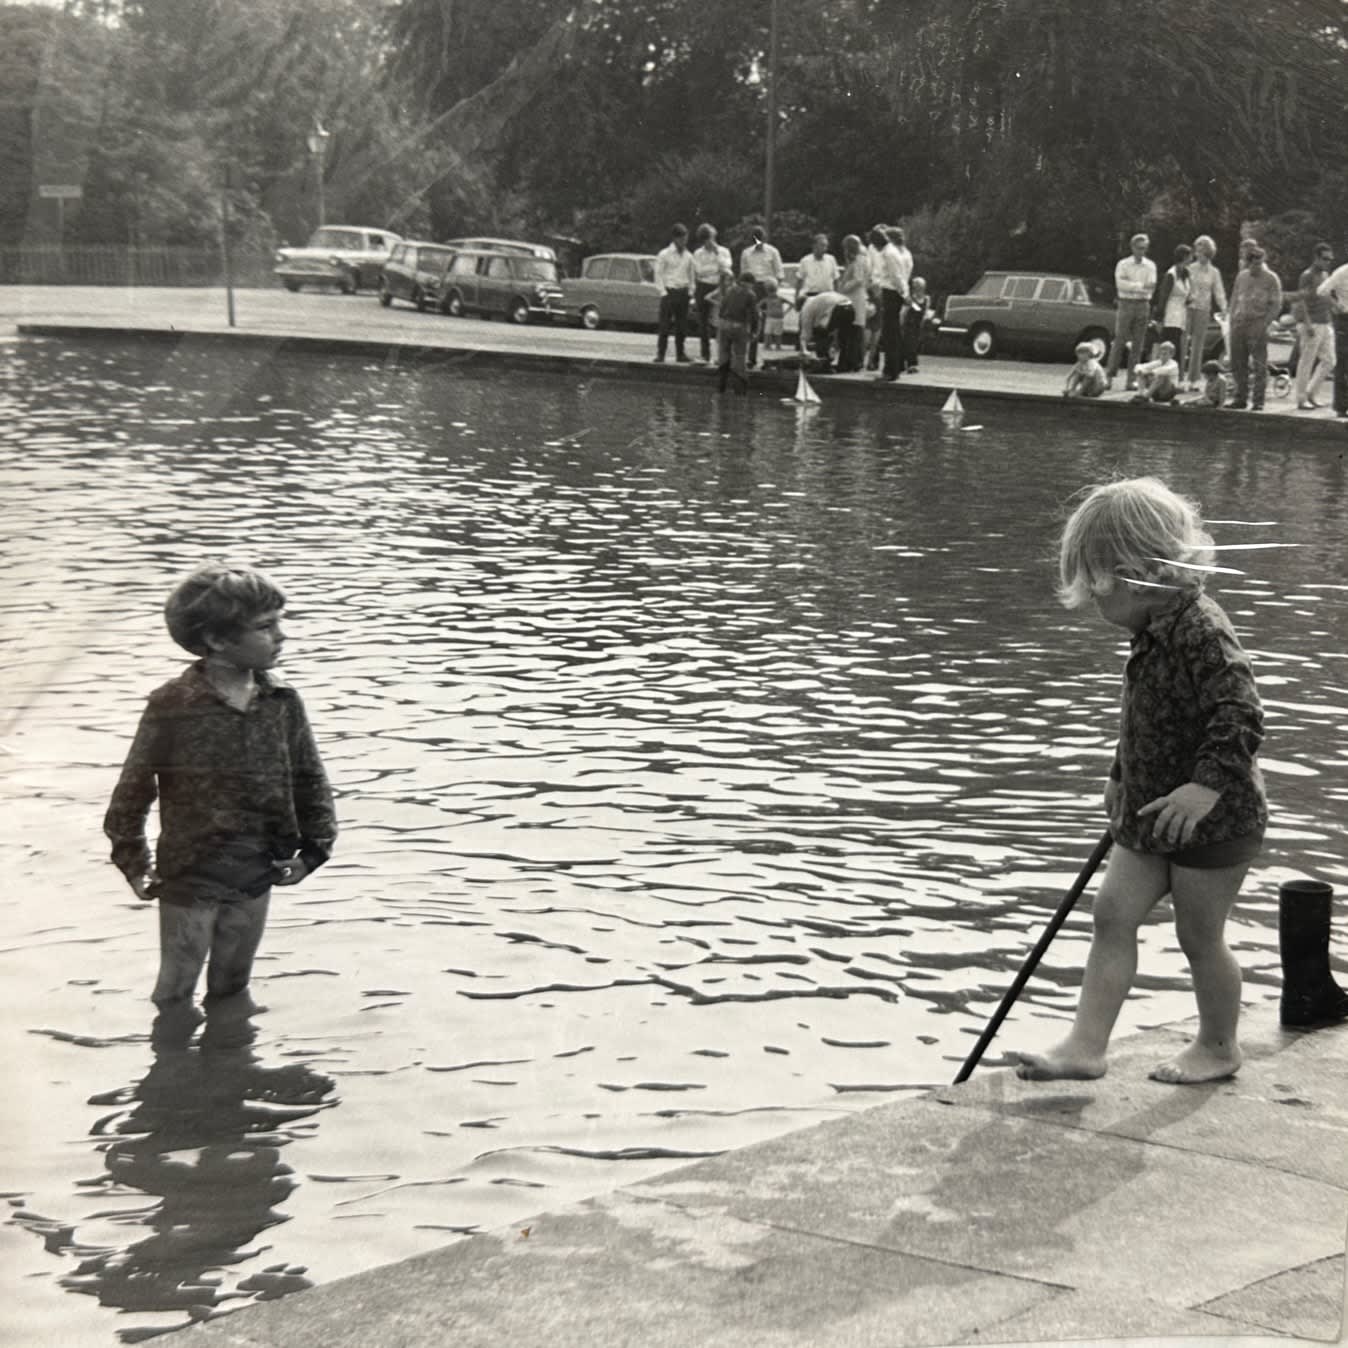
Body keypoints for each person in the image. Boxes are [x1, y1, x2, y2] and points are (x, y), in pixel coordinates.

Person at [1014, 478, 1266, 1086]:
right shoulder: (1152, 629)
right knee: (1111, 914)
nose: (1093, 603)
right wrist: (1120, 777)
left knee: (1198, 935)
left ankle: (1218, 1044)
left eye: (1095, 586)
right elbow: (1145, 719)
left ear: (1130, 576)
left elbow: (1241, 713)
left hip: (1213, 818)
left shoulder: (1200, 628)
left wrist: (1203, 789)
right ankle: (1085, 1047)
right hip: (1150, 811)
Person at [104, 564, 337, 1007]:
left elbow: (310, 779)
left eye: (279, 623)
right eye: (265, 627)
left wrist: (314, 851)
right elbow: (133, 791)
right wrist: (134, 862)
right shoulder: (172, 703)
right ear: (217, 641)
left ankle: (227, 1060)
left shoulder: (282, 701)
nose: (281, 636)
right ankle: (172, 1066)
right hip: (191, 867)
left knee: (232, 982)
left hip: (258, 862)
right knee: (176, 986)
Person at [1225, 246, 1282, 410]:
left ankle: (1258, 401)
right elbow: (1234, 298)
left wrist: (1265, 323)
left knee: (1259, 363)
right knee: (1238, 362)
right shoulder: (1241, 277)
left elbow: (1276, 304)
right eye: (1254, 264)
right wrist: (1232, 319)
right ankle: (1240, 398)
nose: (1258, 267)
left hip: (1257, 322)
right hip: (1239, 322)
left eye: (1260, 263)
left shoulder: (1271, 278)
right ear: (1248, 263)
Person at [1105, 233, 1157, 391]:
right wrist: (1140, 286)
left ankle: (1131, 379)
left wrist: (1133, 285)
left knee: (1138, 344)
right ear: (1133, 247)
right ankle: (1109, 377)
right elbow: (1120, 284)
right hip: (1126, 303)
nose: (1142, 251)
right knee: (1119, 340)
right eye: (1140, 248)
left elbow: (1152, 286)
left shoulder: (1150, 265)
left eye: (1145, 248)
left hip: (1143, 304)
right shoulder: (1123, 264)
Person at [1293, 242, 1335, 410]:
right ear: (1316, 257)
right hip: (1311, 323)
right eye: (1325, 258)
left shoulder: (1326, 274)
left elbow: (1326, 297)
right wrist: (1308, 323)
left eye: (1330, 259)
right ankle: (1301, 399)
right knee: (1306, 361)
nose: (1328, 262)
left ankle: (1311, 393)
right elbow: (1301, 300)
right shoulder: (1307, 275)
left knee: (1330, 360)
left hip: (1325, 322)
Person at [1183, 235, 1227, 389]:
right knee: (1183, 342)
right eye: (1199, 252)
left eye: (1204, 253)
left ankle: (1193, 380)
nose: (1201, 256)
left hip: (1203, 309)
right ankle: (1179, 379)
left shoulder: (1214, 272)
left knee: (1197, 345)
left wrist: (1224, 308)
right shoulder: (1189, 268)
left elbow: (1219, 292)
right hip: (1187, 309)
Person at [739, 225, 785, 369]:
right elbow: (743, 274)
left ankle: (768, 360)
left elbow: (779, 273)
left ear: (764, 239)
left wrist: (774, 291)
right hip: (752, 287)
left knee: (769, 324)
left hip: (768, 287)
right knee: (752, 323)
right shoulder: (746, 253)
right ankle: (751, 358)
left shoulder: (773, 252)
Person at [653, 223, 696, 363]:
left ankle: (680, 353)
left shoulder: (689, 256)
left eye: (686, 239)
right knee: (664, 325)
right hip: (669, 291)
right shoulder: (664, 254)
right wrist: (663, 292)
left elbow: (691, 276)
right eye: (682, 239)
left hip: (683, 292)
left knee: (682, 326)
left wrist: (691, 292)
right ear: (675, 239)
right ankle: (661, 354)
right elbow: (658, 274)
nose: (684, 241)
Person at [691, 223, 732, 364]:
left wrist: (717, 254)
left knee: (721, 321)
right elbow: (699, 271)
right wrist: (714, 269)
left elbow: (726, 267)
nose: (709, 241)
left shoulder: (724, 251)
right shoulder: (697, 253)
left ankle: (722, 355)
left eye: (711, 238)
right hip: (703, 287)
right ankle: (705, 355)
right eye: (706, 239)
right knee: (703, 322)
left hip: (720, 286)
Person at [870, 224, 905, 380]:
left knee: (890, 333)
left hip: (892, 293)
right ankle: (892, 369)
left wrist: (904, 294)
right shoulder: (892, 251)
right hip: (893, 292)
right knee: (893, 333)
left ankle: (890, 371)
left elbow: (896, 276)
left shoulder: (888, 254)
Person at [716, 271, 760, 394]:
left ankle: (721, 388)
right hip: (739, 326)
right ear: (750, 283)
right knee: (739, 358)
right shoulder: (750, 294)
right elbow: (754, 315)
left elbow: (721, 309)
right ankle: (739, 391)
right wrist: (754, 331)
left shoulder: (729, 290)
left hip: (724, 325)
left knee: (723, 356)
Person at [1318, 247, 1348, 418]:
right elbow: (1322, 290)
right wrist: (1336, 305)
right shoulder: (1343, 271)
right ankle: (1341, 405)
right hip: (1345, 318)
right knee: (1343, 362)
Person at [836, 233, 870, 373]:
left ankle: (851, 362)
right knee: (853, 331)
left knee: (852, 331)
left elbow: (858, 279)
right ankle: (852, 361)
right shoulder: (860, 259)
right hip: (855, 298)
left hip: (854, 298)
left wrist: (842, 288)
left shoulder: (859, 260)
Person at [798, 290, 855, 371]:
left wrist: (803, 348)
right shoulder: (817, 299)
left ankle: (824, 364)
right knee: (845, 337)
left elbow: (806, 330)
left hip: (837, 308)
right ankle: (844, 365)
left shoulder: (806, 306)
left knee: (821, 334)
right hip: (850, 306)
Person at [1153, 244, 1192, 360]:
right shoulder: (1171, 275)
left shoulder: (1186, 274)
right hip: (1170, 316)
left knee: (1177, 347)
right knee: (1170, 346)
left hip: (1180, 316)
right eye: (1190, 256)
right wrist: (1159, 318)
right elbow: (1163, 297)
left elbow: (1186, 294)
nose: (1191, 259)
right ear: (1184, 257)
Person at [795, 233, 841, 310]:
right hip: (811, 296)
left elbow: (836, 280)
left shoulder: (831, 259)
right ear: (814, 246)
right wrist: (796, 298)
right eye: (822, 245)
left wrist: (838, 298)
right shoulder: (805, 261)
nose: (825, 248)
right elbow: (799, 281)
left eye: (826, 246)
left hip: (828, 295)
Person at [900, 277, 936, 372]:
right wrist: (901, 323)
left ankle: (905, 363)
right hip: (909, 324)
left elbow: (925, 311)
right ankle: (910, 364)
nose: (918, 288)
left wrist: (925, 321)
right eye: (916, 286)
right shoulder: (911, 299)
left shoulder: (927, 299)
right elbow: (904, 312)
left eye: (920, 286)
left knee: (914, 344)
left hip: (918, 325)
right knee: (909, 344)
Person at [759, 277, 787, 352]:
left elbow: (758, 306)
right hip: (774, 318)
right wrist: (764, 311)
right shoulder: (769, 299)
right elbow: (758, 306)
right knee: (771, 332)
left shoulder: (776, 298)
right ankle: (771, 346)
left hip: (775, 318)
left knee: (772, 333)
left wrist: (763, 311)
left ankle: (773, 346)